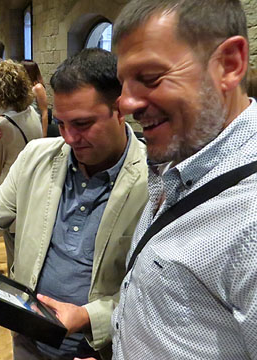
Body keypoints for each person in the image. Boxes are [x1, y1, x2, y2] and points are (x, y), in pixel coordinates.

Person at [0, 48, 149, 360]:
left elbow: (153, 294)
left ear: (120, 108)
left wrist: (88, 317)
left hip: (100, 348)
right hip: (28, 337)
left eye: (82, 124)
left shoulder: (155, 182)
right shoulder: (37, 156)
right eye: (61, 123)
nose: (69, 137)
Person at [110, 0, 257, 359]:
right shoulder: (178, 164)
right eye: (123, 83)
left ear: (229, 64)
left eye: (149, 78)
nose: (126, 103)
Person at [0, 59, 43, 268]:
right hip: (33, 190)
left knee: (13, 259)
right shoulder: (31, 113)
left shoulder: (2, 124)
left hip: (11, 195)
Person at [21, 60, 49, 136]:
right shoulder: (24, 88)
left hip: (35, 126)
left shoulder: (38, 88)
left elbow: (44, 112)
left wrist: (44, 134)